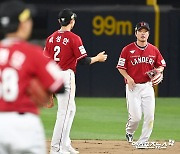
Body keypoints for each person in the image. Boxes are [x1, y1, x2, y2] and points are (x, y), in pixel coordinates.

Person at [0, 1, 65, 154]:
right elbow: (59, 86)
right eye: (27, 20)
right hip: (25, 125)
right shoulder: (32, 53)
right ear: (22, 24)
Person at [44, 8, 107, 154]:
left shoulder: (51, 38)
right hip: (66, 75)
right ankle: (56, 148)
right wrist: (97, 58)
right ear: (71, 21)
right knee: (64, 112)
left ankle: (65, 144)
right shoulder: (73, 38)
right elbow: (83, 61)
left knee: (70, 109)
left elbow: (45, 62)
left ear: (60, 21)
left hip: (54, 75)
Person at [116, 21, 166, 146]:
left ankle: (143, 141)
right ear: (136, 33)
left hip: (147, 86)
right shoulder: (127, 49)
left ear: (148, 34)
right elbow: (120, 67)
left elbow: (161, 65)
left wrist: (158, 71)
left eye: (145, 32)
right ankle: (129, 131)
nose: (143, 34)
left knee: (150, 116)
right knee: (136, 117)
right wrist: (128, 78)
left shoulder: (154, 50)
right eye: (140, 31)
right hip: (133, 87)